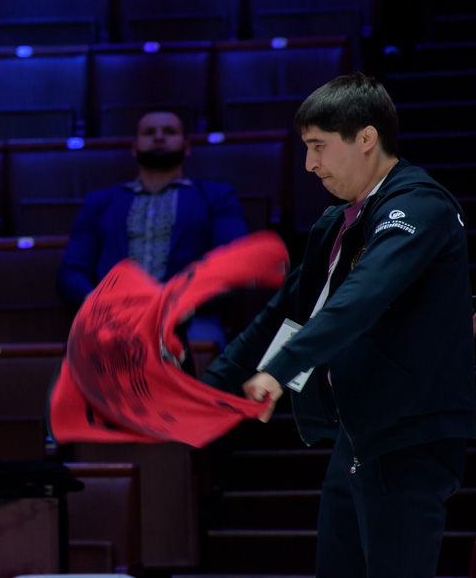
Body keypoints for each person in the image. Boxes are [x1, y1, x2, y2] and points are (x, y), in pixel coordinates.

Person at [202, 74, 476, 577]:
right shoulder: (339, 222)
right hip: (358, 433)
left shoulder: (420, 206)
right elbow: (282, 315)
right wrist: (209, 389)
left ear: (366, 138)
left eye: (319, 146)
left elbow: (361, 298)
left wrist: (281, 369)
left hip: (408, 436)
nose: (310, 164)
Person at [57, 110, 248, 348]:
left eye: (169, 132)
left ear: (187, 146)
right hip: (113, 316)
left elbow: (234, 261)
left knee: (199, 343)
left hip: (190, 316)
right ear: (134, 147)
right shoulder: (99, 202)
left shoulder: (217, 197)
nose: (159, 137)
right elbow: (72, 271)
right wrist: (99, 306)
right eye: (149, 132)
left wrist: (182, 303)